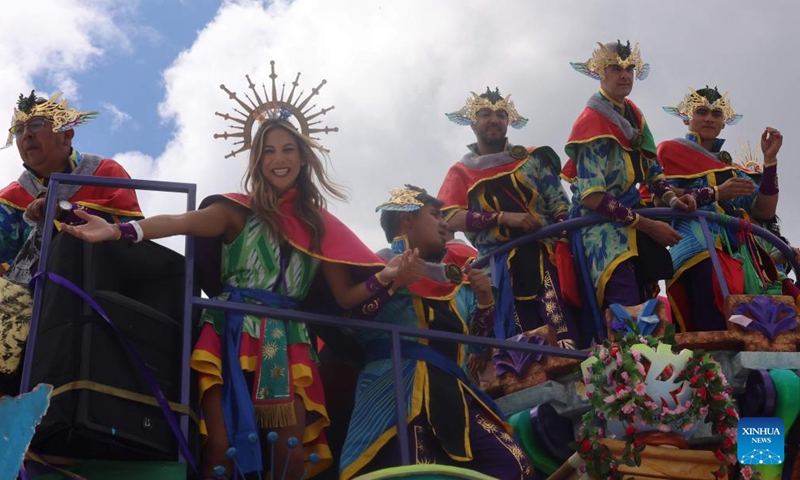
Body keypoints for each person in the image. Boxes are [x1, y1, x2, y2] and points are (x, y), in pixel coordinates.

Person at [61, 68, 413, 480]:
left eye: (287, 150)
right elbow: (179, 220)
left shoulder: (320, 227)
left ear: (302, 158)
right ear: (257, 159)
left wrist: (385, 276)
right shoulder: (235, 211)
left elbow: (346, 299)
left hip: (288, 339)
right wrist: (118, 230)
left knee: (291, 457)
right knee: (221, 448)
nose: (278, 159)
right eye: (268, 150)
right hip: (230, 328)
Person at [340, 185, 533, 480]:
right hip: (397, 388)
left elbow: (479, 350)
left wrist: (484, 301)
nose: (445, 224)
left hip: (457, 391)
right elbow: (350, 323)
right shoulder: (374, 267)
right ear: (407, 221)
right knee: (417, 472)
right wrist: (391, 283)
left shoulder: (457, 281)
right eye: (435, 215)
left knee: (514, 464)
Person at [0, 90, 142, 387]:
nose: (26, 135)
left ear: (67, 135)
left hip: (89, 297)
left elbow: (129, 240)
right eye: (19, 129)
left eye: (37, 124)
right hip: (21, 308)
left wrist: (64, 214)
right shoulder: (11, 198)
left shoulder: (105, 173)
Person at [562, 40, 696, 342]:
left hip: (633, 228)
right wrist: (649, 225)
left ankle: (649, 375)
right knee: (623, 306)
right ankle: (627, 380)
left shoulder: (633, 115)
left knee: (646, 304)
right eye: (616, 69)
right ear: (600, 73)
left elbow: (652, 171)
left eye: (629, 68)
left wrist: (675, 198)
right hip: (602, 234)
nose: (625, 75)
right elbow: (593, 196)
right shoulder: (591, 122)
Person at [438, 87, 580, 349]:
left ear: (508, 121)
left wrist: (564, 244)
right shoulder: (460, 172)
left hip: (546, 255)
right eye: (485, 114)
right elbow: (449, 218)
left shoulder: (532, 159)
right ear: (472, 123)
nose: (494, 119)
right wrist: (503, 218)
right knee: (522, 345)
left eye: (501, 114)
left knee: (564, 333)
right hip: (499, 266)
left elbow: (560, 205)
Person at [658, 86, 794, 330]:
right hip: (697, 248)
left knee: (743, 329)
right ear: (687, 117)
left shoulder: (731, 168)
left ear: (724, 123)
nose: (709, 118)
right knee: (710, 326)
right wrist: (717, 193)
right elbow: (659, 199)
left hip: (739, 258)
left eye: (717, 114)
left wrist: (770, 162)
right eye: (702, 112)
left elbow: (763, 211)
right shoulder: (671, 151)